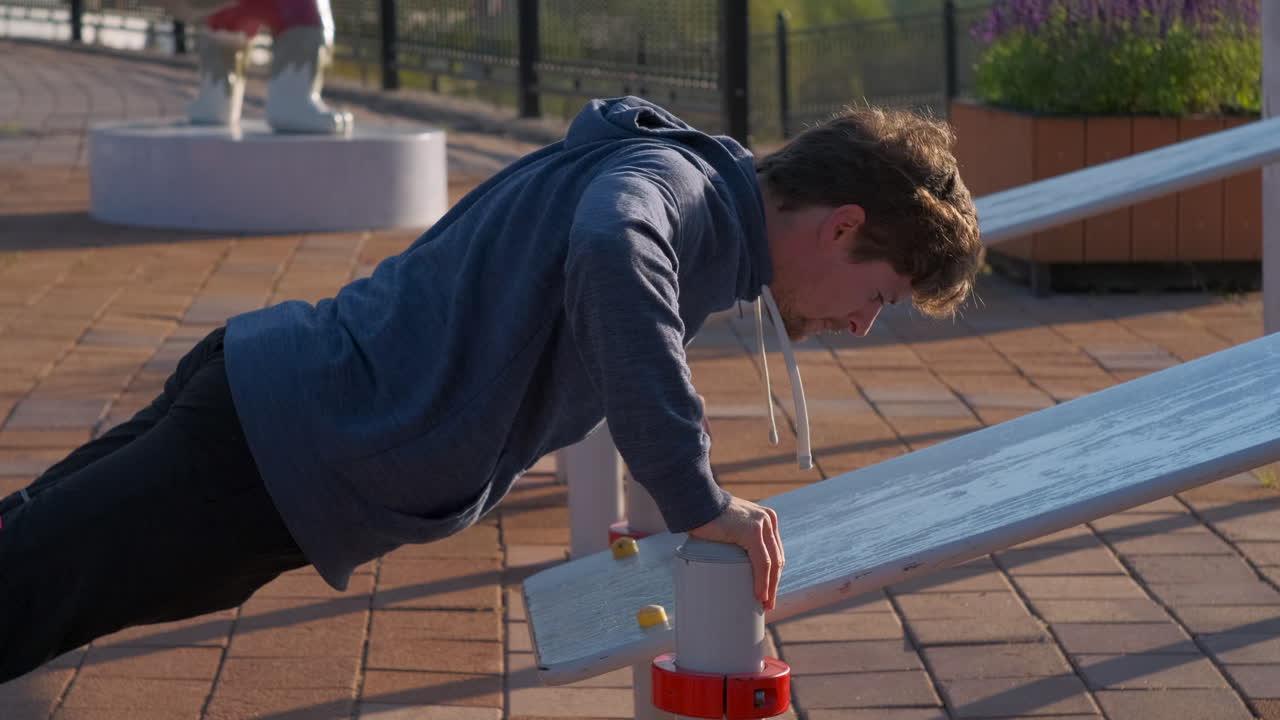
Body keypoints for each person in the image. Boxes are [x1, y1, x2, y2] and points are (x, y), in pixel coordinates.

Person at [0, 96, 982, 682]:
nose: (859, 323)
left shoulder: (689, 198)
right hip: (275, 447)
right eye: (878, 296)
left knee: (28, 563)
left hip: (271, 420)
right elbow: (609, 246)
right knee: (26, 593)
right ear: (842, 225)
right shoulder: (674, 192)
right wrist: (695, 497)